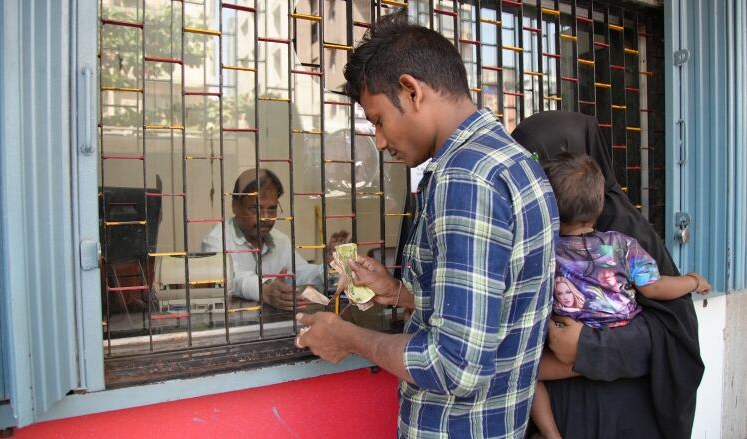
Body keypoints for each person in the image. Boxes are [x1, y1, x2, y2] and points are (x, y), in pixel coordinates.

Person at [294, 11, 559, 438]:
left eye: (378, 120)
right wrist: (401, 293)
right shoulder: (513, 161)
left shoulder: (466, 178)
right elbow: (496, 306)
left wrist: (348, 338)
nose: (379, 141)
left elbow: (454, 365)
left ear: (411, 91)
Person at [512, 111, 706, 439]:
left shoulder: (628, 231)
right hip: (568, 413)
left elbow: (675, 331)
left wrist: (589, 347)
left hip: (628, 411)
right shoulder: (538, 235)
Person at [200, 168, 349, 310]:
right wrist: (264, 289)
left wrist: (330, 267)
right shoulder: (216, 241)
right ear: (235, 206)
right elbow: (231, 279)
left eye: (271, 209)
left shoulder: (280, 240)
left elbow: (301, 273)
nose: (265, 218)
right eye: (256, 209)